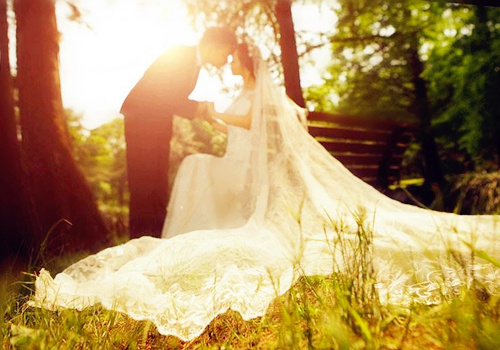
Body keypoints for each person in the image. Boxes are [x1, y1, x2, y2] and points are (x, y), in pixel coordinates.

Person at [30, 40, 499, 342]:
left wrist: (212, 114)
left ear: (246, 62)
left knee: (193, 164)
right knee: (196, 163)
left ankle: (194, 227)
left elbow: (254, 125)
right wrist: (211, 114)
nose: (229, 63)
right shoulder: (259, 95)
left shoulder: (257, 99)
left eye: (234, 58)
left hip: (247, 176)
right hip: (240, 168)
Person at [120, 27, 237, 239]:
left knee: (157, 183)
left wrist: (203, 112)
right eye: (226, 53)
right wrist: (199, 108)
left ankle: (153, 239)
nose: (226, 59)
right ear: (214, 45)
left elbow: (171, 98)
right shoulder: (181, 56)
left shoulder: (193, 63)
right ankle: (139, 241)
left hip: (157, 127)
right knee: (144, 183)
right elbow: (162, 95)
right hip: (143, 124)